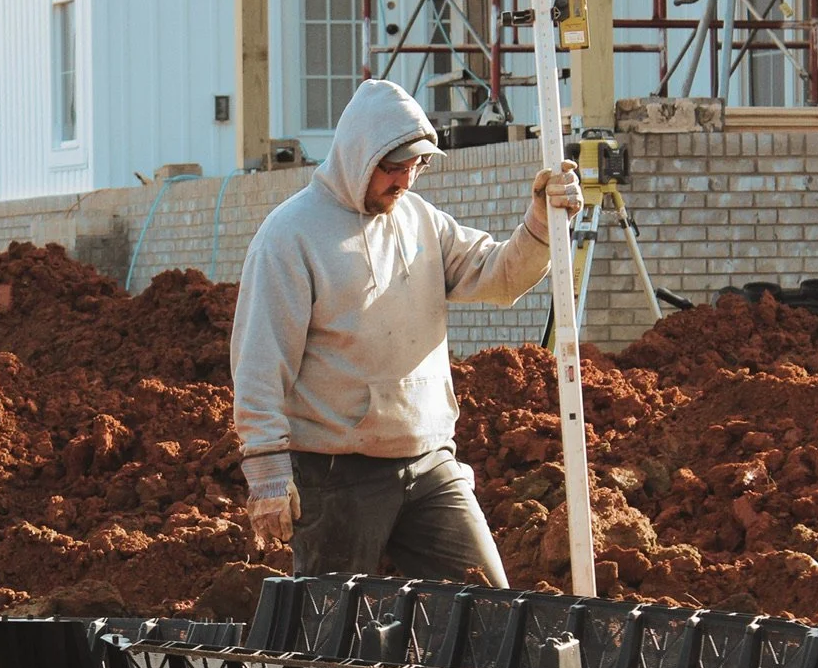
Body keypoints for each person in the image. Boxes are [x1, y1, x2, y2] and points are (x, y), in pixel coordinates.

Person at [230, 78, 582, 584]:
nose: (404, 182)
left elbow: (500, 277)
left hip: (430, 462)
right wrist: (265, 469)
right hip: (336, 475)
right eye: (391, 168)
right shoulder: (290, 237)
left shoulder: (422, 222)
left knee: (487, 610)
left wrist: (543, 225)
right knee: (330, 630)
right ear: (356, 157)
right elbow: (261, 360)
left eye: (414, 167)